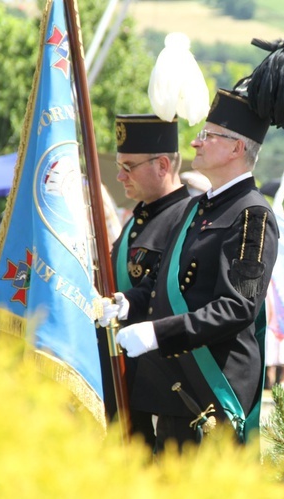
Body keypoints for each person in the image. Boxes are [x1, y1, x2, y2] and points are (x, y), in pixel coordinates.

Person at [99, 33, 284, 451]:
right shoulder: (198, 208)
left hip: (211, 386)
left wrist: (158, 333)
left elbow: (237, 306)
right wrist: (130, 303)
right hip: (174, 386)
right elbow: (162, 284)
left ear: (235, 147)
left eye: (208, 135)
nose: (195, 141)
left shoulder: (252, 214)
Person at [97, 114, 191, 448]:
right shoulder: (141, 216)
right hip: (123, 371)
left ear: (163, 164)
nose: (120, 176)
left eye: (129, 166)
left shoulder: (186, 216)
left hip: (157, 377)